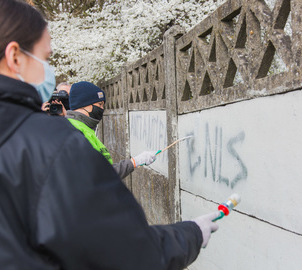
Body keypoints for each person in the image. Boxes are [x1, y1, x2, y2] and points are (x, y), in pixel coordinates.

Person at [0, 1, 219, 269]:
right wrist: (190, 234)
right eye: (45, 59)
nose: (49, 72)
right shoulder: (53, 143)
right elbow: (129, 253)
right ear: (14, 57)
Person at [66, 81, 156, 178]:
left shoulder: (86, 129)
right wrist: (134, 162)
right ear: (84, 105)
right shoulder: (74, 131)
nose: (102, 108)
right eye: (99, 104)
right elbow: (99, 174)